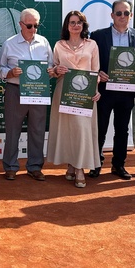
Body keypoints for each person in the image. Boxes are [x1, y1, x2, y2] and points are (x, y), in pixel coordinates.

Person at [89, 0, 135, 180]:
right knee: (100, 128)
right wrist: (98, 73)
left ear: (131, 15)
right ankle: (95, 164)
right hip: (105, 90)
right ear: (112, 15)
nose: (123, 16)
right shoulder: (98, 35)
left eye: (126, 13)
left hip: (127, 91)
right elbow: (92, 62)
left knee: (122, 130)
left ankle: (118, 165)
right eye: (119, 13)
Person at [47, 10, 101, 188]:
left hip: (85, 93)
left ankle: (79, 168)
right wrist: (56, 70)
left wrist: (96, 90)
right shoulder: (59, 45)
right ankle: (70, 164)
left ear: (83, 25)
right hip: (64, 92)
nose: (76, 25)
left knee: (81, 130)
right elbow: (53, 70)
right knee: (68, 131)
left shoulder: (92, 45)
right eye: (72, 22)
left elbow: (96, 71)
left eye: (79, 22)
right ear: (67, 26)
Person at [0, 8, 53, 181]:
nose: (33, 29)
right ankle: (11, 166)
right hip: (15, 90)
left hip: (38, 91)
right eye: (29, 25)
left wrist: (51, 71)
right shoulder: (10, 43)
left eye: (36, 25)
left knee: (37, 129)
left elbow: (51, 66)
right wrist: (10, 72)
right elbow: (0, 68)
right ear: (20, 24)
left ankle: (35, 167)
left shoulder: (44, 42)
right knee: (12, 130)